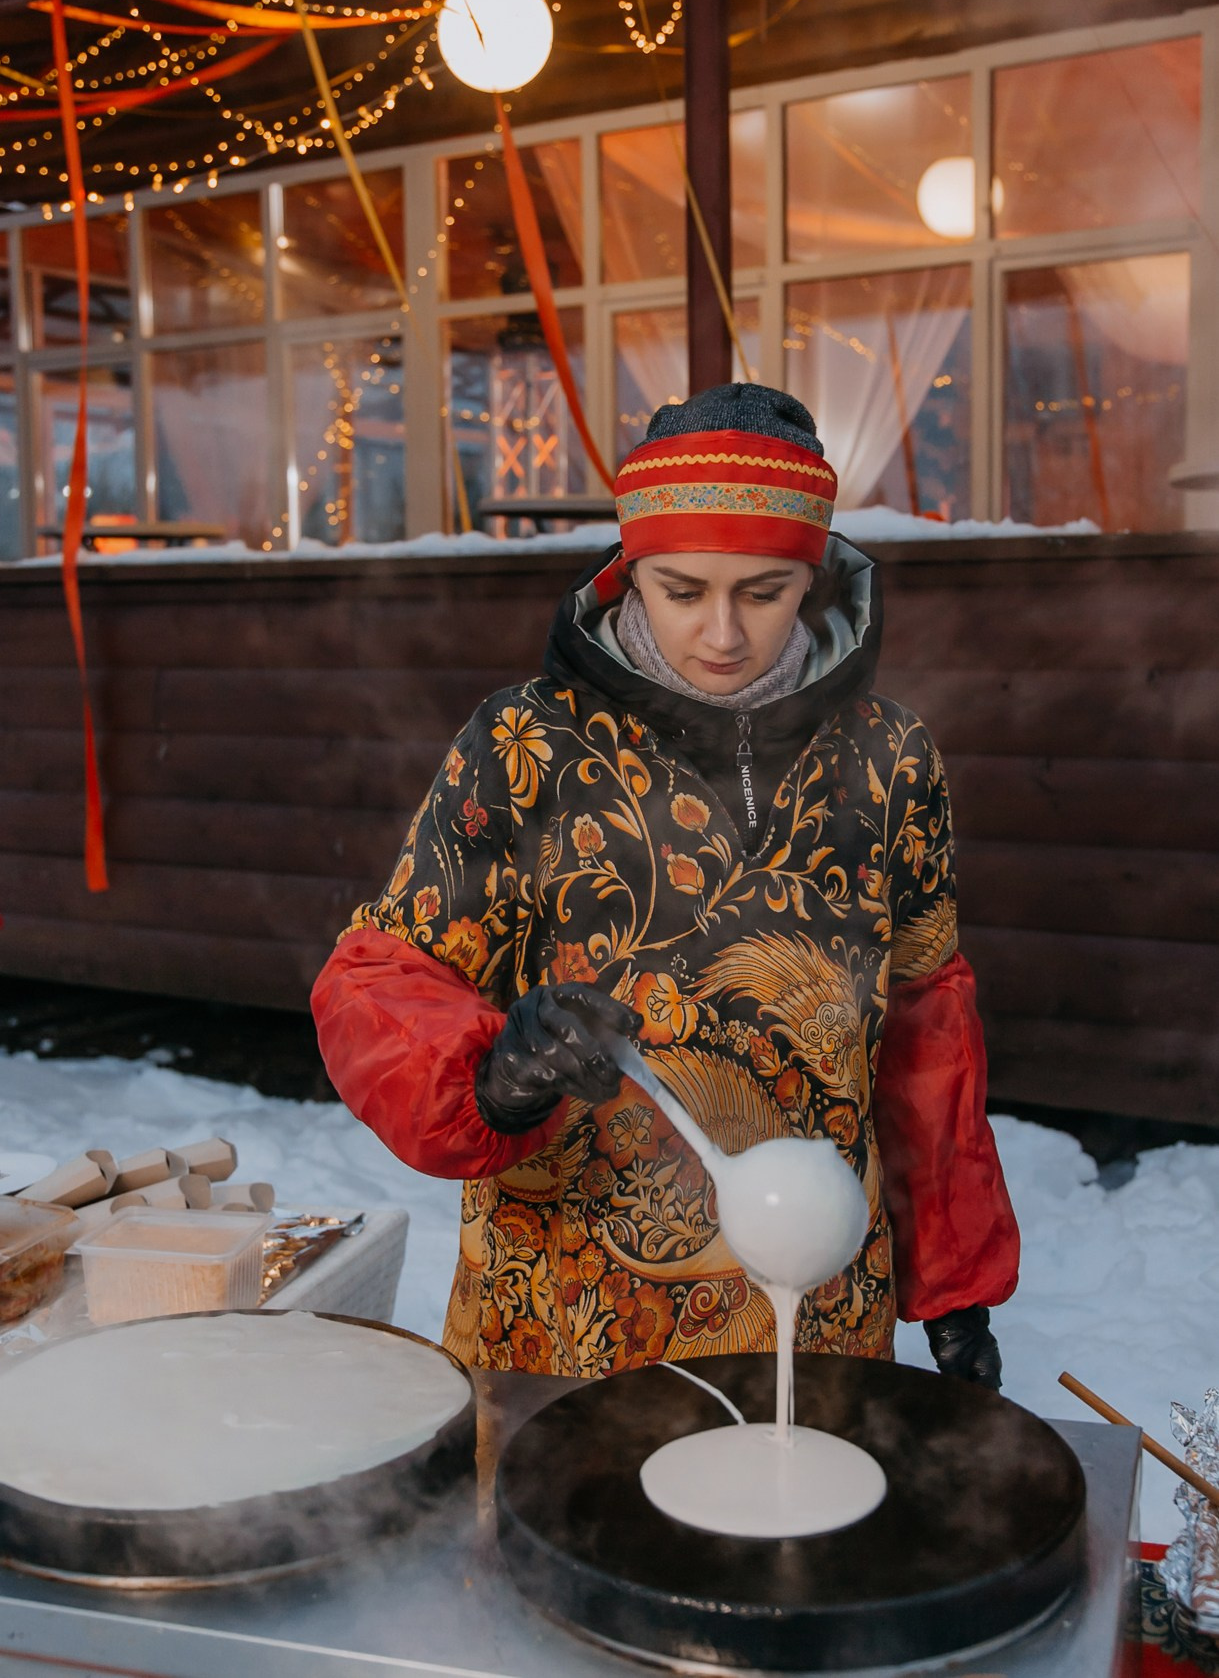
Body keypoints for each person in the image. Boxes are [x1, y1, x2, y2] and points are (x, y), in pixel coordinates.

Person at [313, 382, 1019, 1386]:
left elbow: (925, 1030)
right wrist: (496, 1072)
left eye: (763, 591)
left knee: (794, 1527)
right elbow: (379, 977)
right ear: (630, 573)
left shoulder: (889, 757)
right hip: (564, 1317)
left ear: (811, 583)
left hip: (811, 1311)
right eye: (682, 591)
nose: (721, 634)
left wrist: (956, 1287)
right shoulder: (528, 743)